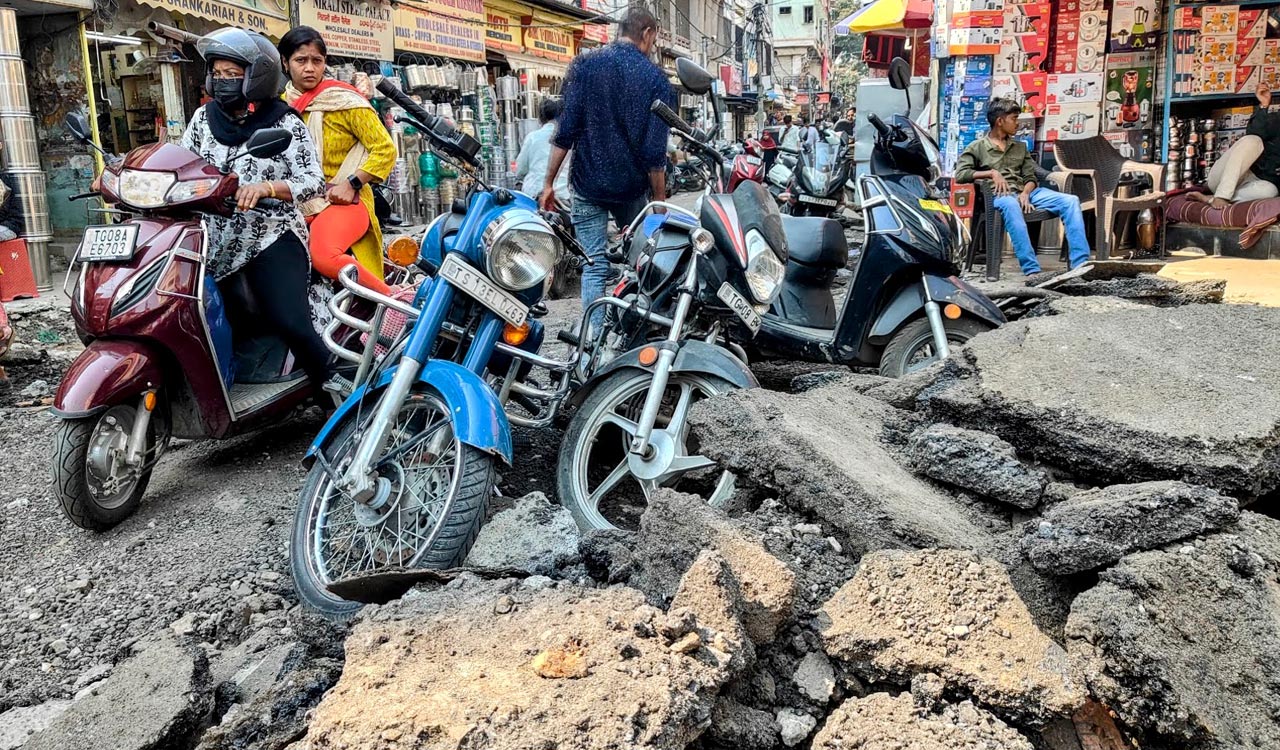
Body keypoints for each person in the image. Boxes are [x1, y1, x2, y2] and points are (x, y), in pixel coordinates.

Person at [181, 28, 332, 386]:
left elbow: (313, 181)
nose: (222, 82)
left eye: (232, 74)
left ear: (256, 77)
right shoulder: (203, 120)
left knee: (290, 320)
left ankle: (333, 391)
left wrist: (267, 187)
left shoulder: (284, 123)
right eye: (217, 74)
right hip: (213, 241)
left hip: (270, 235)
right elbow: (182, 163)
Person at [540, 6, 672, 331]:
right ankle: (632, 331)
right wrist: (659, 203)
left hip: (588, 185)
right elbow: (655, 151)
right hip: (631, 189)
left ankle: (592, 341)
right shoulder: (655, 79)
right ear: (647, 34)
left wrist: (548, 183)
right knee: (642, 260)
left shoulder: (585, 65)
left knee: (594, 265)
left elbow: (566, 131)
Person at [279, 26, 397, 296]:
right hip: (298, 203)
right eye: (300, 60)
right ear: (285, 63)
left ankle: (392, 304)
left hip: (346, 199)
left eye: (317, 61)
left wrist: (353, 182)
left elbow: (385, 150)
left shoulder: (346, 101)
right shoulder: (280, 107)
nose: (309, 68)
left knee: (323, 255)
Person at [954, 97, 1090, 284]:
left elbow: (1031, 177)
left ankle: (1080, 265)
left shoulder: (1019, 147)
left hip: (1028, 194)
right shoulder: (977, 147)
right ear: (1000, 121)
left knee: (1071, 201)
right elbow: (961, 174)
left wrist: (1026, 193)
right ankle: (1032, 270)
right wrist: (991, 173)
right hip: (1000, 196)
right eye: (1014, 119)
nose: (1017, 124)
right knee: (1011, 204)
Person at [1187, 82, 1280, 209]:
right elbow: (1253, 133)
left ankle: (1211, 199)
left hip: (1253, 187)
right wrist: (1264, 105)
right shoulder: (1276, 120)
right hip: (1224, 177)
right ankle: (1221, 196)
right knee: (1253, 141)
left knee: (1271, 191)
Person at [516, 98, 571, 207]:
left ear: (541, 117)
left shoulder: (532, 137)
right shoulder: (570, 138)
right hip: (564, 196)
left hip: (535, 195)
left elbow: (520, 169)